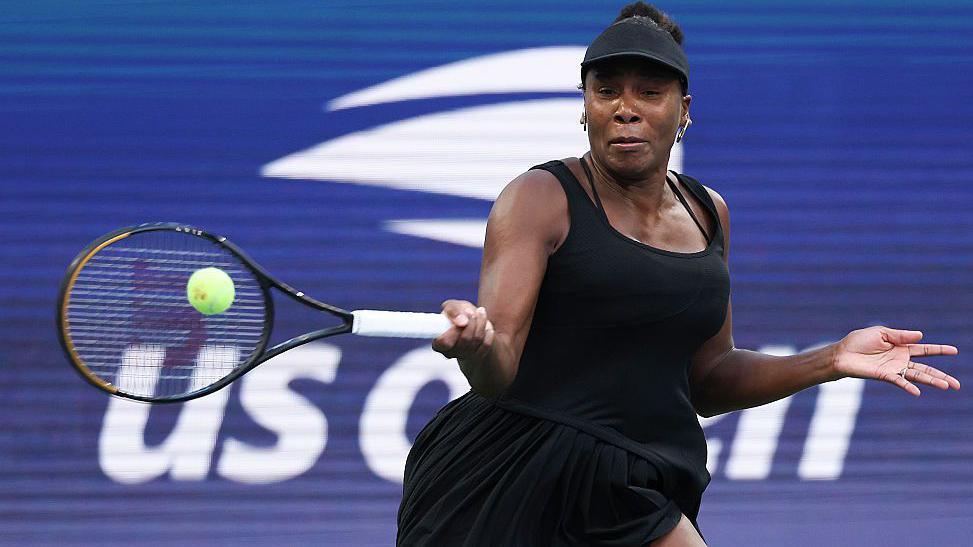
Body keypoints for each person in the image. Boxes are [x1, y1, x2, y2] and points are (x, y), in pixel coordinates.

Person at [395, 2, 962, 545]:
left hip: (628, 484)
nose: (626, 107)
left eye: (649, 92)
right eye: (606, 91)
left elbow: (709, 380)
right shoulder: (540, 197)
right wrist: (476, 345)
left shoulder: (709, 212)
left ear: (683, 109)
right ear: (584, 105)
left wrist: (831, 358)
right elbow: (498, 371)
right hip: (507, 476)